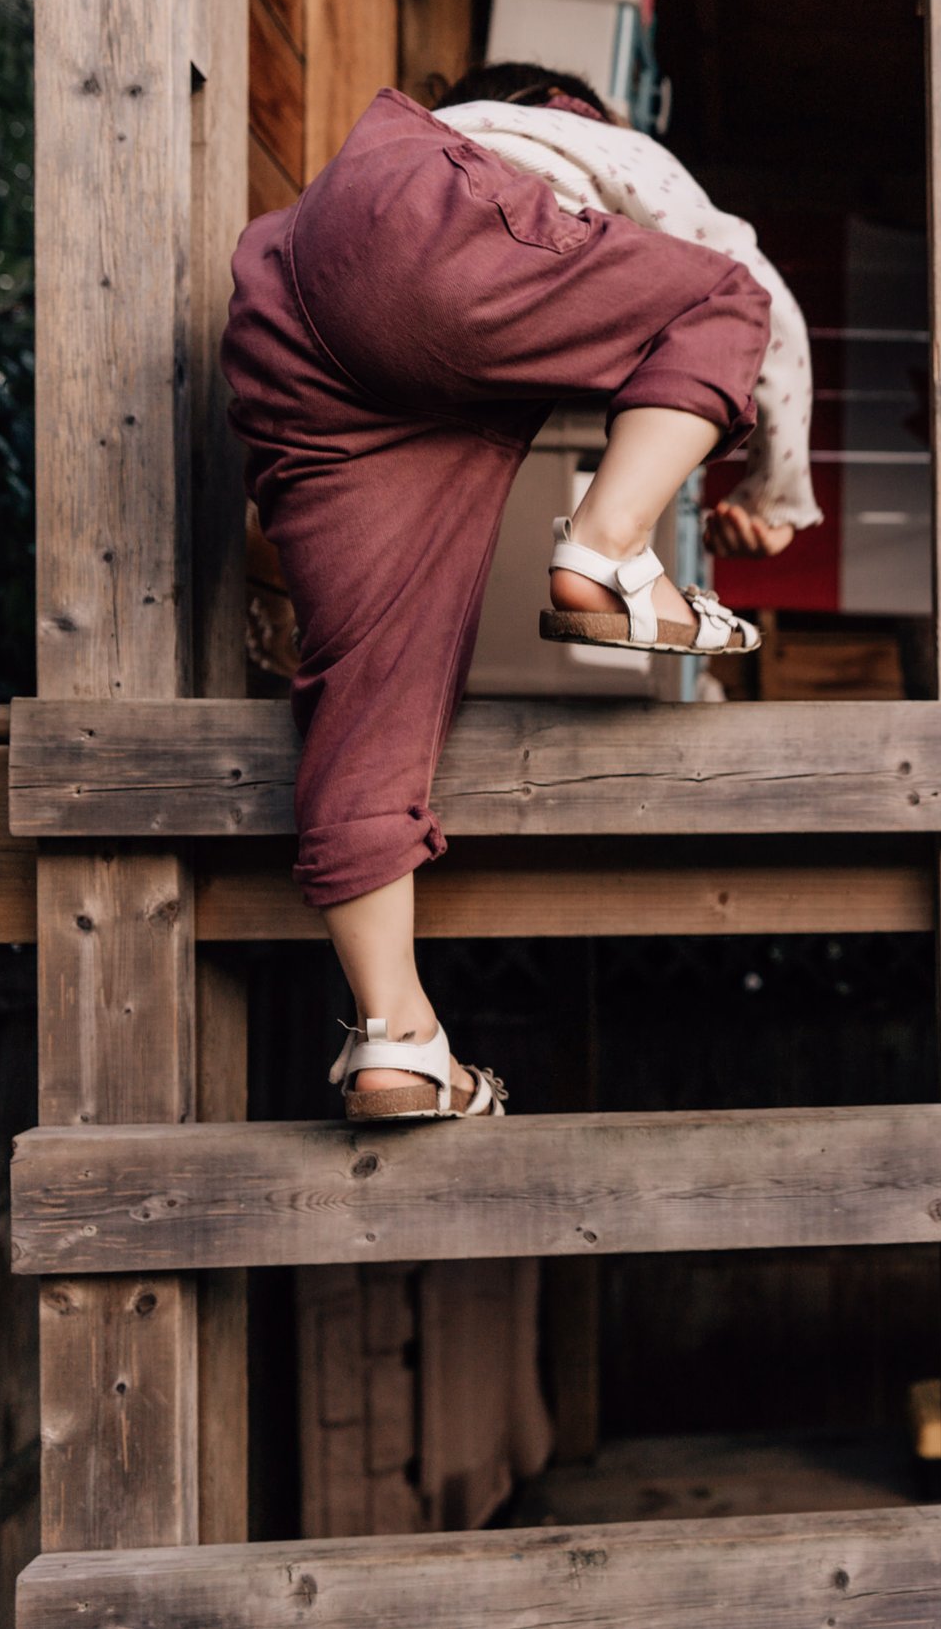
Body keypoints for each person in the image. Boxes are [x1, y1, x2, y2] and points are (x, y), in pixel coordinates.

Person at [220, 66, 822, 1122]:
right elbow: (741, 282)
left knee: (373, 700)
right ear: (564, 106)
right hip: (424, 242)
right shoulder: (546, 133)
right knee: (725, 295)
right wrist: (776, 490)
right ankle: (606, 549)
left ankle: (396, 1039)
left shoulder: (395, 172)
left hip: (301, 350)